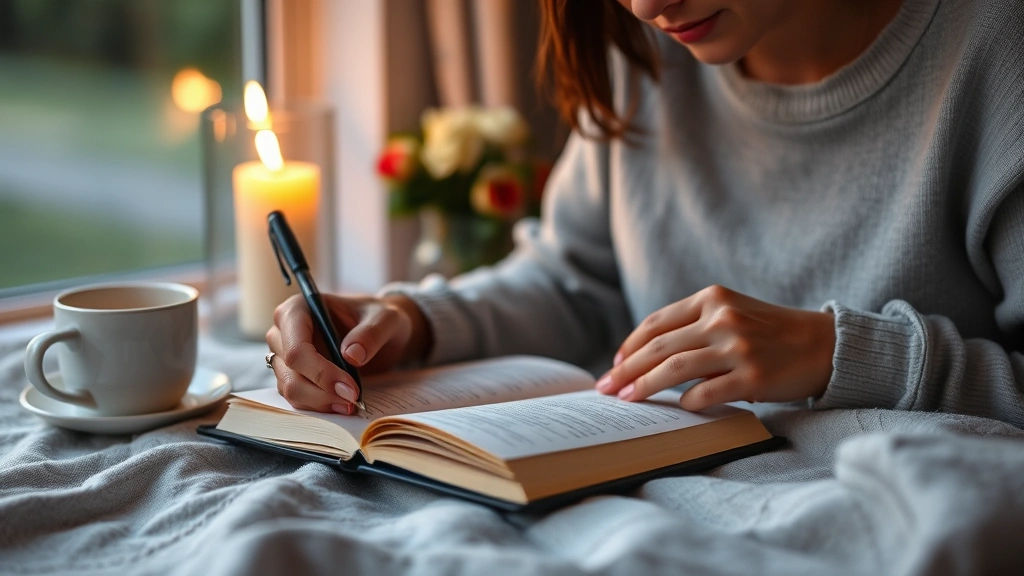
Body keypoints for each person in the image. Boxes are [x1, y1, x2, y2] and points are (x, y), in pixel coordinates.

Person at [266, 0, 1024, 427]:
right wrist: (404, 323)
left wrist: (839, 353)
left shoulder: (996, 51)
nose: (647, 3)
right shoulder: (640, 52)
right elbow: (574, 279)